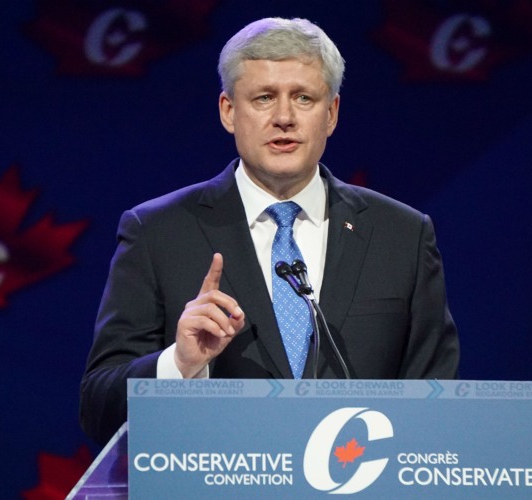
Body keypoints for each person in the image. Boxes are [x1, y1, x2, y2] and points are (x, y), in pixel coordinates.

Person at [80, 17, 459, 445]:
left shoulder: (402, 236)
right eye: (263, 98)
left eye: (303, 98)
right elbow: (98, 409)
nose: (284, 117)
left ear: (331, 113)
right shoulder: (157, 232)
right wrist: (178, 364)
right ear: (228, 110)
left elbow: (438, 405)